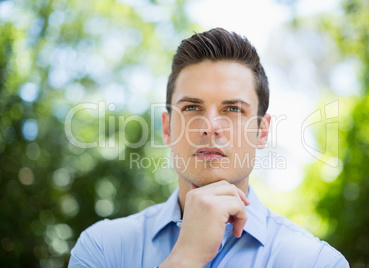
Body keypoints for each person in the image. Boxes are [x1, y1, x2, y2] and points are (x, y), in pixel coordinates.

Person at [69, 28, 349, 267]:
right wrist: (184, 258)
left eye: (233, 109)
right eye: (192, 107)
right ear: (167, 129)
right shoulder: (102, 249)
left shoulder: (317, 262)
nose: (210, 126)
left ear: (261, 132)